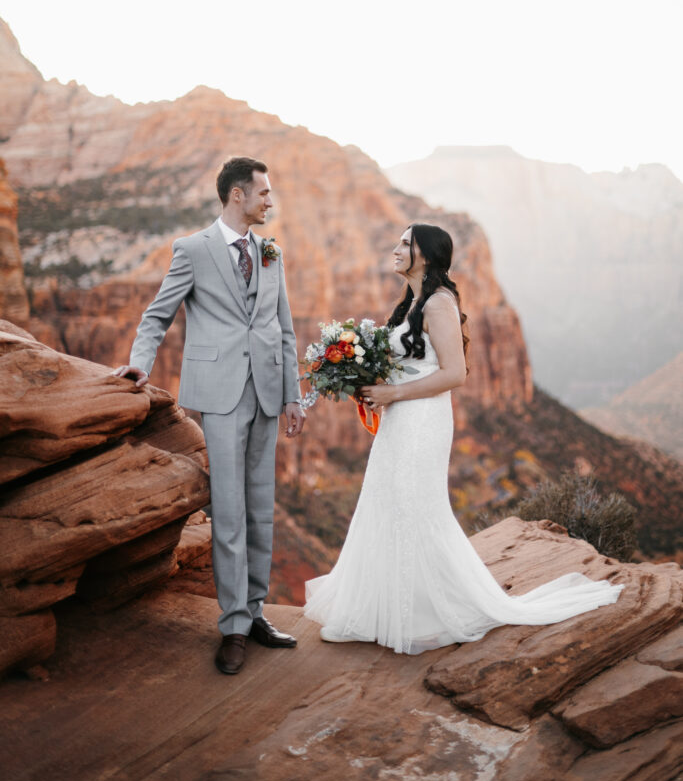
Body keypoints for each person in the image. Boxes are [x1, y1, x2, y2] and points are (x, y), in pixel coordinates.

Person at [304, 223, 623, 654]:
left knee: (414, 506)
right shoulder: (412, 302)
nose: (396, 249)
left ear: (428, 256)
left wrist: (393, 392)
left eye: (405, 243)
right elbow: (412, 364)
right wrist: (367, 382)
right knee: (388, 501)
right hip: (401, 417)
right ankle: (381, 612)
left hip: (422, 420)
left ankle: (424, 617)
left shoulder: (438, 303)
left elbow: (455, 373)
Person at [114, 156, 305, 675]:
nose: (270, 200)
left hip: (268, 392)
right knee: (228, 511)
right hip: (220, 394)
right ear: (237, 195)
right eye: (263, 192)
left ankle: (258, 613)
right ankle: (234, 627)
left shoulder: (271, 253)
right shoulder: (192, 250)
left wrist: (293, 394)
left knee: (260, 508)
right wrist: (138, 365)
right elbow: (158, 315)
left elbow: (283, 329)